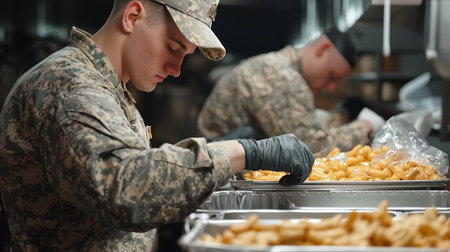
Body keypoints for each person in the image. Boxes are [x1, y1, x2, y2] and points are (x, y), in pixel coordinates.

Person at [0, 0, 315, 250]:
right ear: (133, 16)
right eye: (173, 47)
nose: (177, 69)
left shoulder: (106, 86)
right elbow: (124, 188)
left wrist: (207, 153)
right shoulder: (72, 86)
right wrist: (240, 152)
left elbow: (119, 161)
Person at [197, 28, 385, 158]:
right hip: (223, 176)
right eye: (332, 76)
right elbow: (312, 149)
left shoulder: (278, 66)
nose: (330, 87)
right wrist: (365, 125)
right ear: (323, 50)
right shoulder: (281, 77)